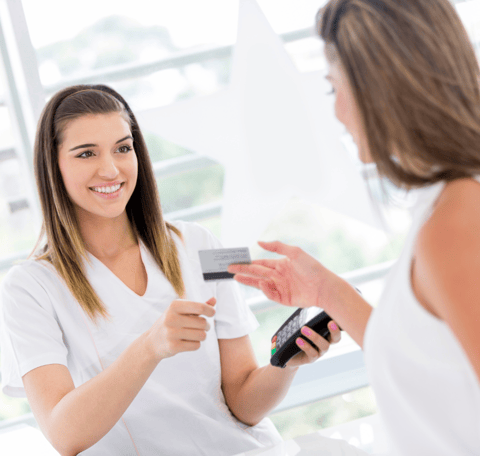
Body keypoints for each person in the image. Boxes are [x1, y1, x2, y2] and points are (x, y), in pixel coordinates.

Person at [0, 84, 342, 456]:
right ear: (54, 166)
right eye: (86, 154)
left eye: (123, 148)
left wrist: (284, 364)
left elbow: (242, 403)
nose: (111, 169)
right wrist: (150, 346)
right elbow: (64, 435)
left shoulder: (201, 245)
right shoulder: (28, 287)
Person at [228, 0, 480, 455]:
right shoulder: (443, 203)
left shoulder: (456, 221)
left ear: (379, 88)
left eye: (333, 89)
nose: (338, 113)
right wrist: (326, 292)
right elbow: (422, 361)